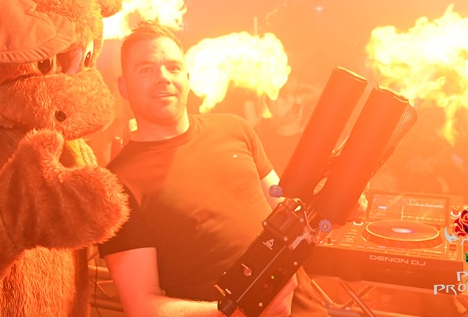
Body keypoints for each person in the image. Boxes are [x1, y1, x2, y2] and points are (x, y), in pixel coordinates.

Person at [98, 22, 327, 316]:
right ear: (123, 87)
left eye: (173, 67)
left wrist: (330, 206)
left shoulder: (236, 129)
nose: (163, 77)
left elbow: (289, 214)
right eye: (146, 69)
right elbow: (141, 306)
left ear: (188, 78)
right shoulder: (116, 185)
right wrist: (237, 312)